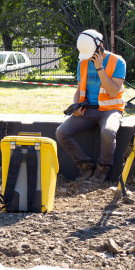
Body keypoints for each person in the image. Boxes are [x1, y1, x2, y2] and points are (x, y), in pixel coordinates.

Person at [55, 29, 126, 183]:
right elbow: (79, 89)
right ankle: (85, 166)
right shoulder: (83, 62)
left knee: (108, 132)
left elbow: (113, 92)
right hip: (88, 110)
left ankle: (102, 170)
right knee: (61, 132)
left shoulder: (118, 62)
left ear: (100, 46)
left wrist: (100, 68)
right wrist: (76, 106)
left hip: (111, 110)